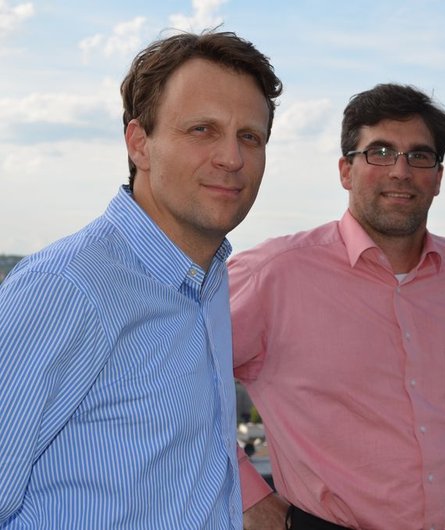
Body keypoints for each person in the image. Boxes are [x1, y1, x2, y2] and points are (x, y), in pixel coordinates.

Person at [0, 30, 282, 528]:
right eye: (202, 130)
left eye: (249, 137)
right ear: (139, 144)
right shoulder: (65, 289)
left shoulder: (207, 281)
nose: (232, 158)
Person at [229, 83, 445, 529]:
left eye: (419, 156)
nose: (401, 171)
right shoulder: (273, 274)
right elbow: (174, 380)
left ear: (438, 177)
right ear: (345, 171)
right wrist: (248, 496)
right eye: (380, 152)